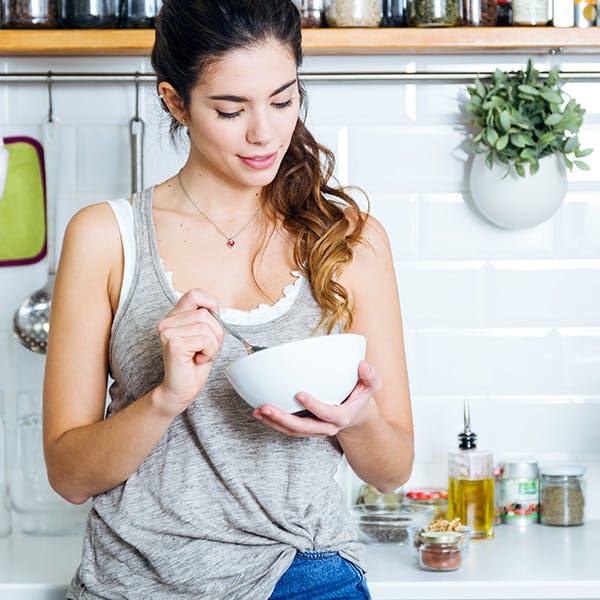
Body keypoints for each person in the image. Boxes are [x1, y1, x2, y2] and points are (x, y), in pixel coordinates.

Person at [43, 1, 414, 598]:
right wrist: (166, 399)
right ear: (174, 102)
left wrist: (358, 418)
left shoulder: (349, 241)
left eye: (283, 99)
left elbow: (393, 469)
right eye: (229, 109)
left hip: (304, 574)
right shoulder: (105, 237)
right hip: (136, 582)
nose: (264, 132)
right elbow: (69, 476)